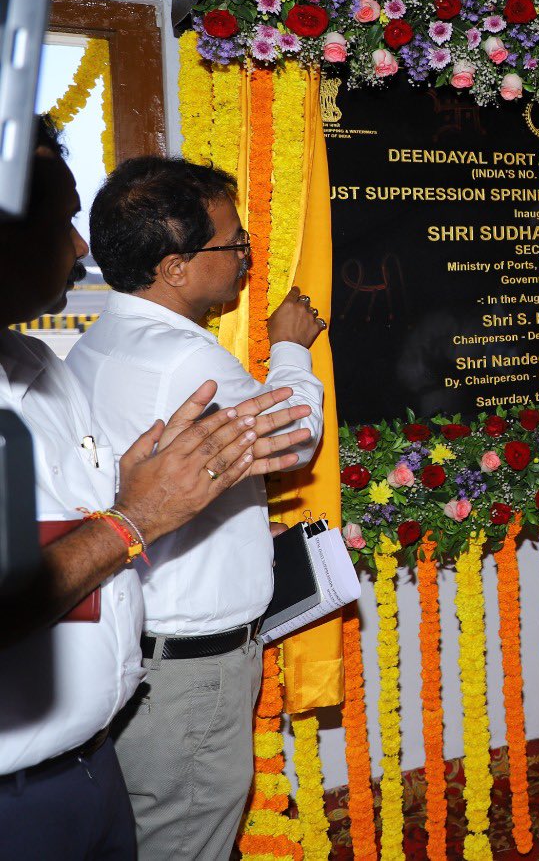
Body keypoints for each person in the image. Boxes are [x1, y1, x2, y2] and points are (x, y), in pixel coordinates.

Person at [0, 119, 312, 859]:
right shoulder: (182, 358)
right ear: (175, 267)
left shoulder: (52, 357)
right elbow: (293, 435)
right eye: (56, 219)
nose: (78, 249)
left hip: (98, 738)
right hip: (143, 705)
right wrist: (293, 347)